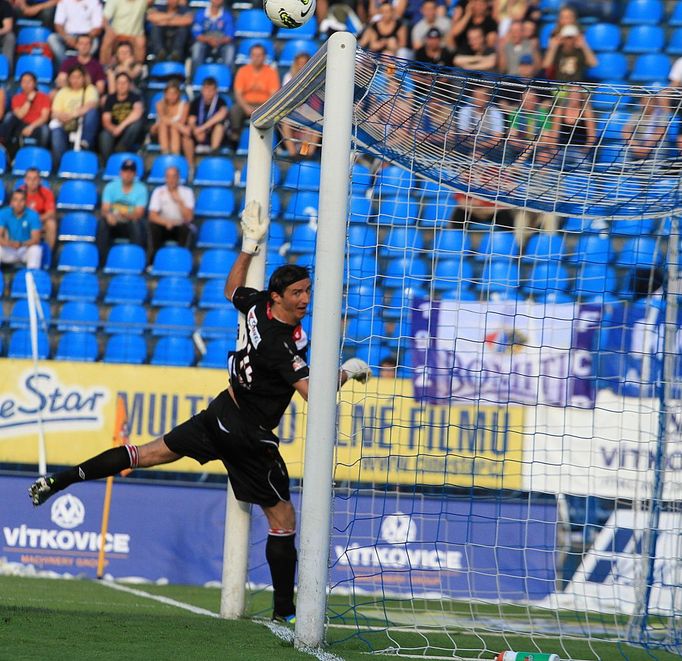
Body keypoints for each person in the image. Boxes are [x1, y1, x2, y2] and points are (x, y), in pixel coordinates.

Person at [29, 200, 372, 624]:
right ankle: (285, 613)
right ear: (279, 297)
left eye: (307, 291)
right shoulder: (280, 345)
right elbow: (311, 393)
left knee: (145, 453)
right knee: (283, 518)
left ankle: (58, 481)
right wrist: (343, 373)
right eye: (297, 293)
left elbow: (230, 289)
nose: (305, 299)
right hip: (248, 432)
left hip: (221, 411)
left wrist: (248, 247)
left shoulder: (255, 304)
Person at [96, 158, 148, 263]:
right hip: (114, 222)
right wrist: (109, 215)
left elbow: (139, 213)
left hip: (129, 222)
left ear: (135, 174)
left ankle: (136, 260)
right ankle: (101, 261)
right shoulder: (110, 187)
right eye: (125, 171)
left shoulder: (141, 189)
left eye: (131, 171)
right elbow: (105, 209)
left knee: (137, 225)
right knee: (102, 223)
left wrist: (124, 215)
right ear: (120, 172)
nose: (127, 174)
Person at [229, 44, 280, 148]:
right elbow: (238, 94)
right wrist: (246, 107)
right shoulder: (242, 71)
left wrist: (262, 109)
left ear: (264, 57)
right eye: (254, 55)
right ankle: (235, 138)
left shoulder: (271, 72)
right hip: (245, 104)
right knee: (235, 109)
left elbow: (273, 95)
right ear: (250, 56)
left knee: (277, 112)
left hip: (264, 105)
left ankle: (278, 143)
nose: (256, 58)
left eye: (259, 55)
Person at [49, 64, 100, 161]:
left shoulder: (90, 89)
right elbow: (54, 113)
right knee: (56, 130)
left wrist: (72, 115)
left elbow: (91, 104)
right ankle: (61, 164)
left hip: (82, 123)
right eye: (73, 77)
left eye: (78, 77)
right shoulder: (63, 91)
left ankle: (85, 143)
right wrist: (62, 117)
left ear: (83, 78)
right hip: (65, 124)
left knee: (92, 113)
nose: (75, 80)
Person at [147, 165, 195, 262]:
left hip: (180, 225)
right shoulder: (158, 191)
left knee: (187, 229)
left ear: (178, 178)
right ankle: (153, 261)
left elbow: (189, 217)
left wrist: (179, 201)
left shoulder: (187, 192)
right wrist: (166, 222)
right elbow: (152, 216)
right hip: (164, 225)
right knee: (153, 227)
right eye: (168, 176)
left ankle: (182, 261)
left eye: (174, 176)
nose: (171, 180)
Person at [0, 72, 51, 154]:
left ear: (35, 83)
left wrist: (31, 127)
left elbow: (44, 117)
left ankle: (40, 154)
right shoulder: (17, 98)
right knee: (10, 116)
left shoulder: (44, 97)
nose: (26, 84)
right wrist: (29, 101)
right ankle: (4, 148)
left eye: (29, 81)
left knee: (45, 130)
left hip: (36, 125)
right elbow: (19, 115)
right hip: (21, 124)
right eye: (24, 82)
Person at [99, 71, 145, 162]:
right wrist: (114, 129)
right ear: (116, 84)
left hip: (128, 130)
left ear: (129, 84)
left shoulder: (135, 97)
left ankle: (121, 150)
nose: (122, 85)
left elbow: (137, 113)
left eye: (125, 83)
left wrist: (121, 127)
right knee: (104, 134)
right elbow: (106, 120)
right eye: (119, 83)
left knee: (137, 124)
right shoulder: (110, 99)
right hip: (113, 130)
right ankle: (108, 163)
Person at [280, 53, 319, 158]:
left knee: (312, 124)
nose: (302, 66)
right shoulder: (288, 77)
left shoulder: (315, 80)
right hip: (292, 111)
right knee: (286, 123)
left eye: (304, 64)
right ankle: (293, 154)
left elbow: (315, 100)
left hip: (310, 111)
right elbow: (287, 99)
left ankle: (307, 153)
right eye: (299, 63)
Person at [186, 76, 228, 167]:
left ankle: (213, 155)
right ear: (202, 90)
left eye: (211, 90)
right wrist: (196, 131)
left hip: (211, 133)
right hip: (198, 134)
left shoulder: (221, 101)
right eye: (206, 89)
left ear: (216, 91)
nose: (208, 93)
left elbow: (222, 114)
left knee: (219, 127)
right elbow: (191, 120)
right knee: (186, 137)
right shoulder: (196, 102)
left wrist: (202, 128)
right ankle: (190, 166)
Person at [47, 0, 104, 66]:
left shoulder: (94, 2)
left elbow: (97, 27)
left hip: (87, 36)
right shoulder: (64, 2)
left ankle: (85, 67)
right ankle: (66, 66)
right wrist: (67, 37)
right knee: (52, 38)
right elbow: (58, 24)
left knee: (95, 43)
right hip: (68, 35)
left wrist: (83, 40)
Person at [0, 189, 42, 270]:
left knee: (36, 249)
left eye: (21, 200)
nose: (18, 204)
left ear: (26, 202)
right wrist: (9, 243)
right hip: (9, 249)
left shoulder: (33, 215)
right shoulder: (3, 213)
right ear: (11, 202)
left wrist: (21, 244)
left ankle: (31, 278)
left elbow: (36, 239)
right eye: (15, 200)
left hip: (25, 248)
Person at [55, 33, 107, 98]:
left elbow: (100, 88)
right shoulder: (68, 62)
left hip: (88, 96)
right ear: (77, 45)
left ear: (91, 46)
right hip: (69, 93)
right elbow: (61, 80)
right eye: (81, 43)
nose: (84, 46)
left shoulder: (97, 65)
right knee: (53, 93)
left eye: (87, 44)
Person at [19, 167, 57, 252]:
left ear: (40, 180)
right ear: (25, 180)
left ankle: (48, 253)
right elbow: (14, 212)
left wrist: (34, 220)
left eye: (35, 179)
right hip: (22, 221)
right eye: (29, 179)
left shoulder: (46, 193)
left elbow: (51, 213)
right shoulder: (20, 192)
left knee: (51, 223)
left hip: (40, 222)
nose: (32, 182)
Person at [190, 0, 234, 72]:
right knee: (197, 47)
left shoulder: (227, 15)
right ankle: (196, 78)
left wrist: (218, 41)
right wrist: (208, 40)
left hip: (222, 44)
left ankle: (227, 78)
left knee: (230, 49)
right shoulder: (201, 14)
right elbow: (197, 34)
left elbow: (229, 36)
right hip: (204, 43)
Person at [100, 0, 147, 65]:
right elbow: (104, 19)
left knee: (141, 41)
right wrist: (108, 30)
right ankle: (104, 67)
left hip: (135, 35)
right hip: (117, 34)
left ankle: (138, 67)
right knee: (107, 39)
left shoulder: (142, 1)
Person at [151, 81, 191, 155]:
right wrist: (180, 127)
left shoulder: (185, 105)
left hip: (177, 133)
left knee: (173, 129)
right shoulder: (160, 104)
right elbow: (163, 118)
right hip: (159, 132)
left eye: (174, 93)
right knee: (163, 125)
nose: (172, 96)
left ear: (178, 94)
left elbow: (181, 122)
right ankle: (165, 153)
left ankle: (175, 155)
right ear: (165, 94)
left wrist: (178, 126)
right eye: (169, 93)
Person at [0, 0, 15, 76]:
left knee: (10, 37)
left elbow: (8, 27)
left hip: (1, 35)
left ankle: (6, 70)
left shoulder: (4, 5)